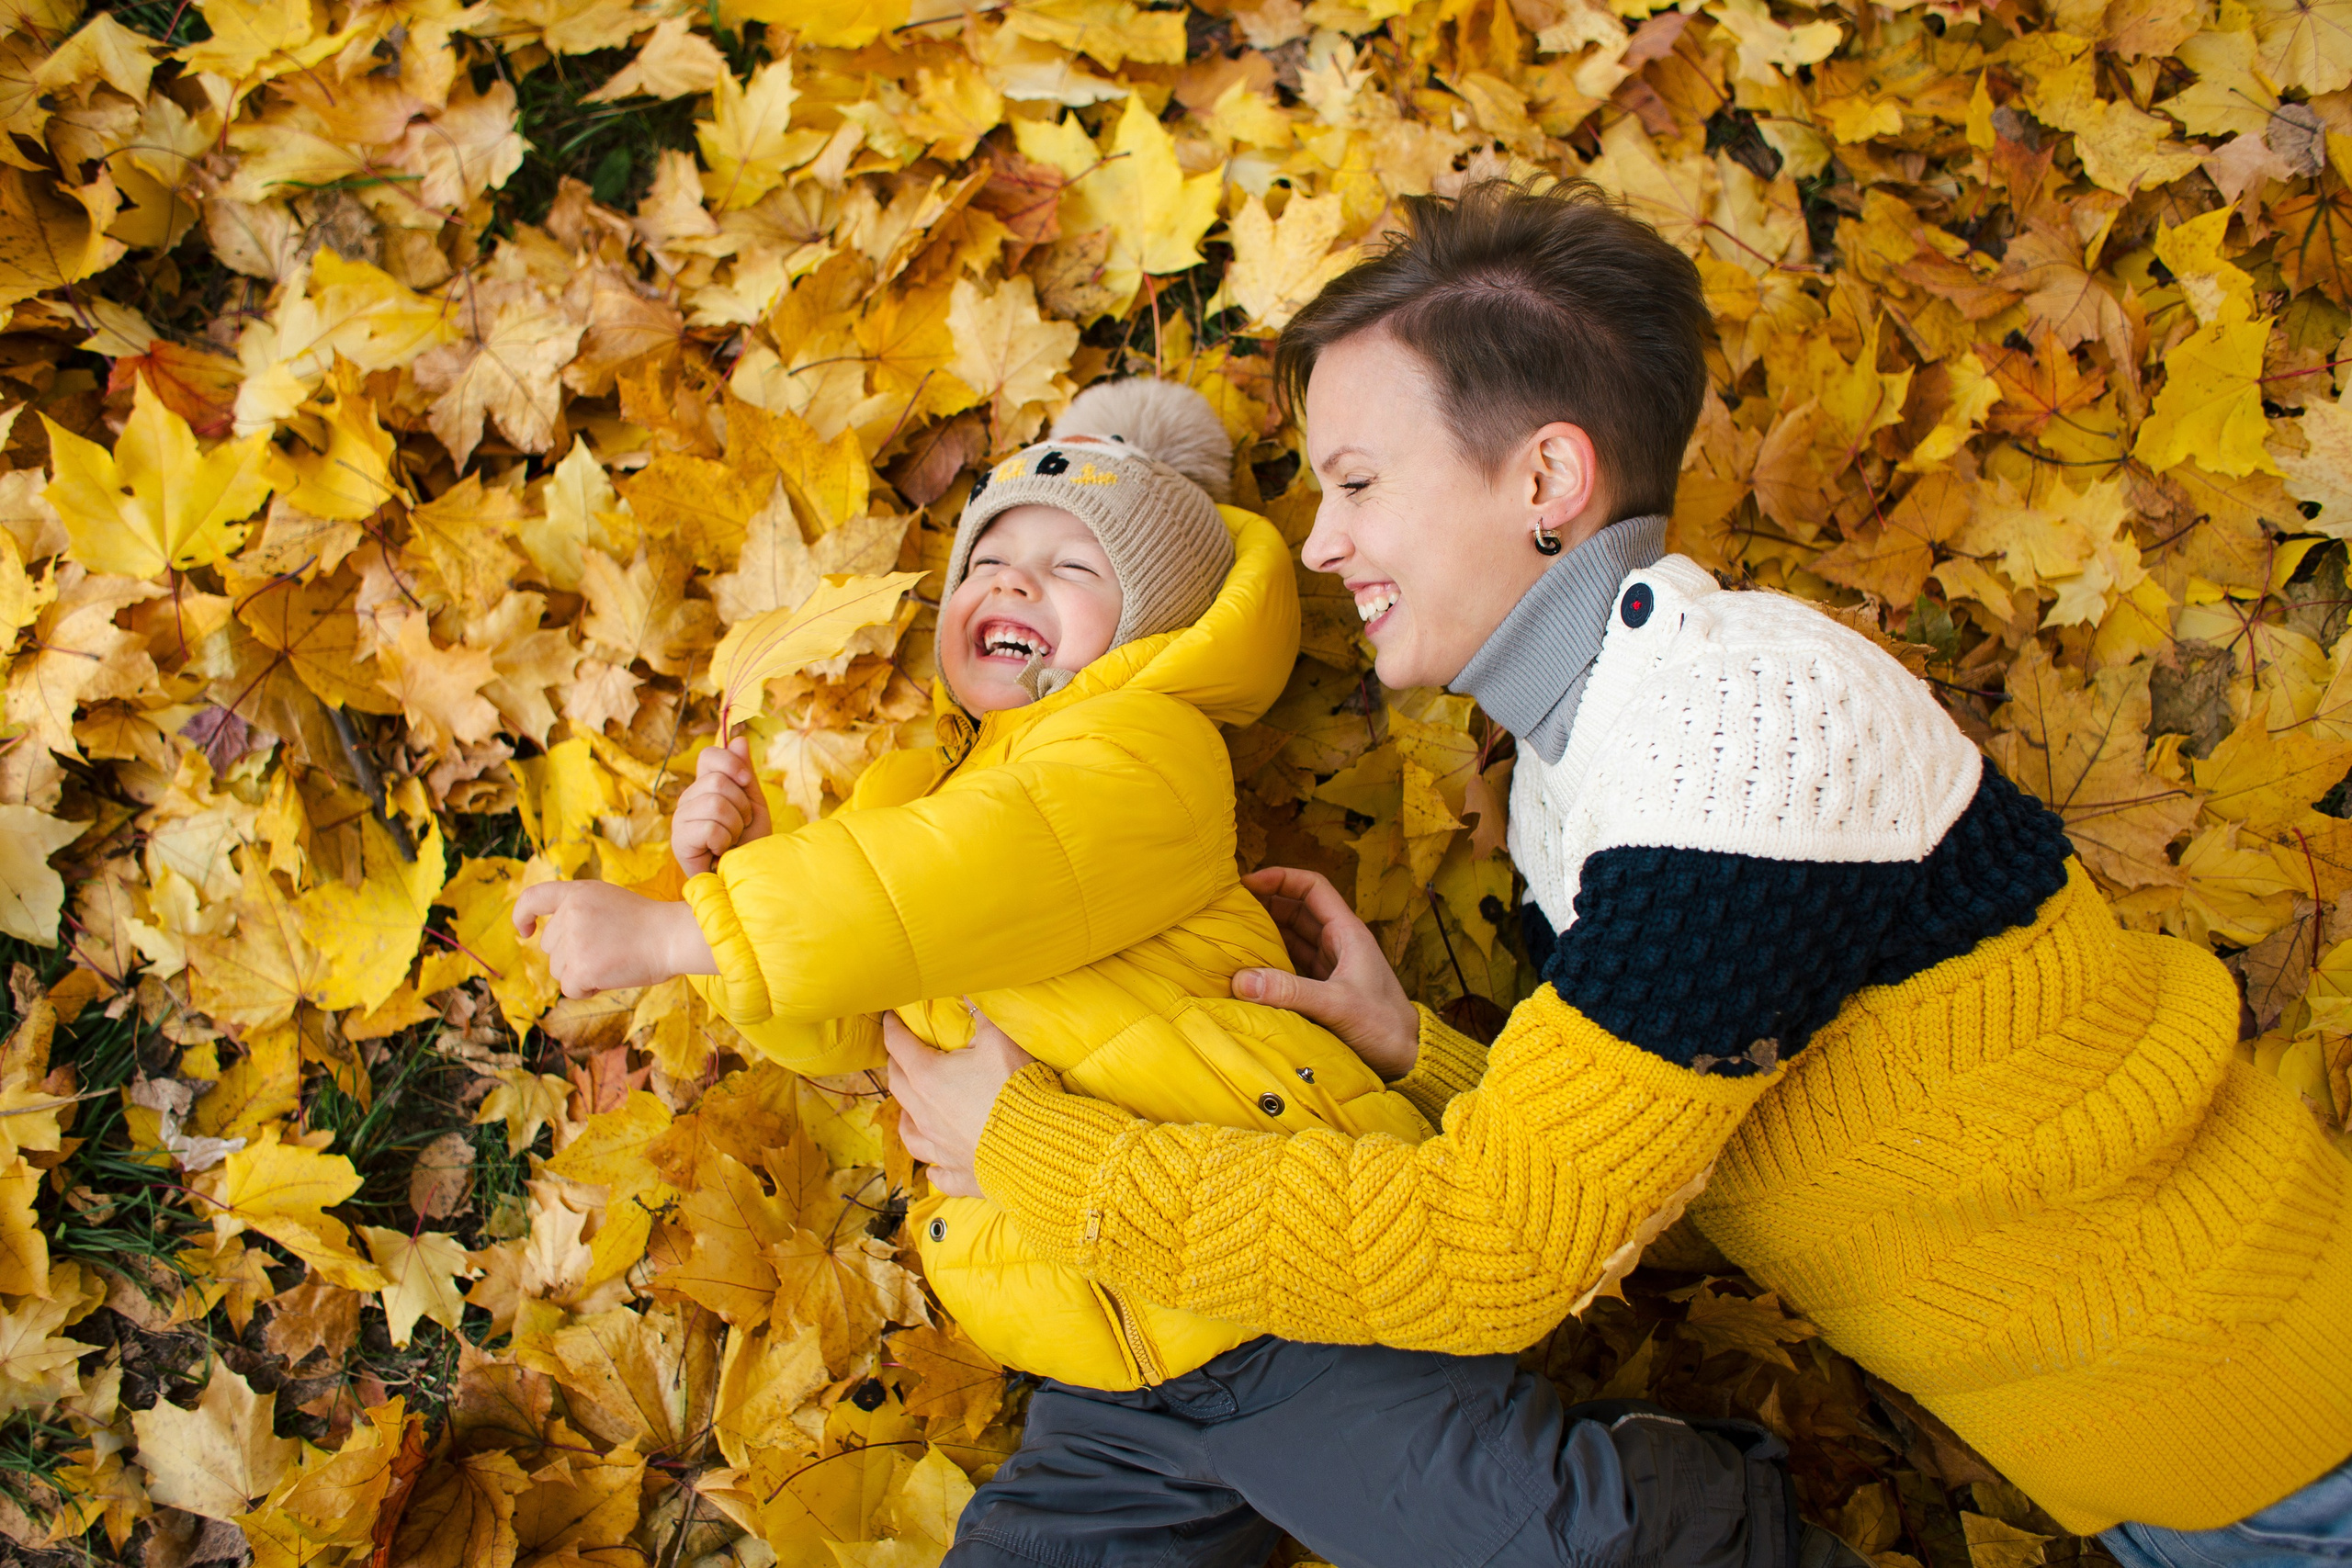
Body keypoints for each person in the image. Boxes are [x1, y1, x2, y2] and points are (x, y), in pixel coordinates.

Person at [886, 178, 2352, 1568]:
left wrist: (1027, 1147)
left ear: (1548, 476)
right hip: (2173, 1444)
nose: (1322, 544)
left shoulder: (1737, 735)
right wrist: (1420, 1056)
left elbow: (1499, 1254)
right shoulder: (1590, 768)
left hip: (2283, 1419)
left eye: (1356, 482)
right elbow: (1644, 1159)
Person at [513, 375, 1804, 1568]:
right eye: (993, 558)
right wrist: (729, 892)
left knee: (1549, 1540)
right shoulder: (925, 803)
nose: (1015, 581)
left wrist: (684, 935)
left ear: (1151, 633)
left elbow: (968, 873)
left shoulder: (1141, 757)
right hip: (1105, 1363)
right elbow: (868, 1026)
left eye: (1073, 566)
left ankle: (1706, 1518)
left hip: (1286, 1305)